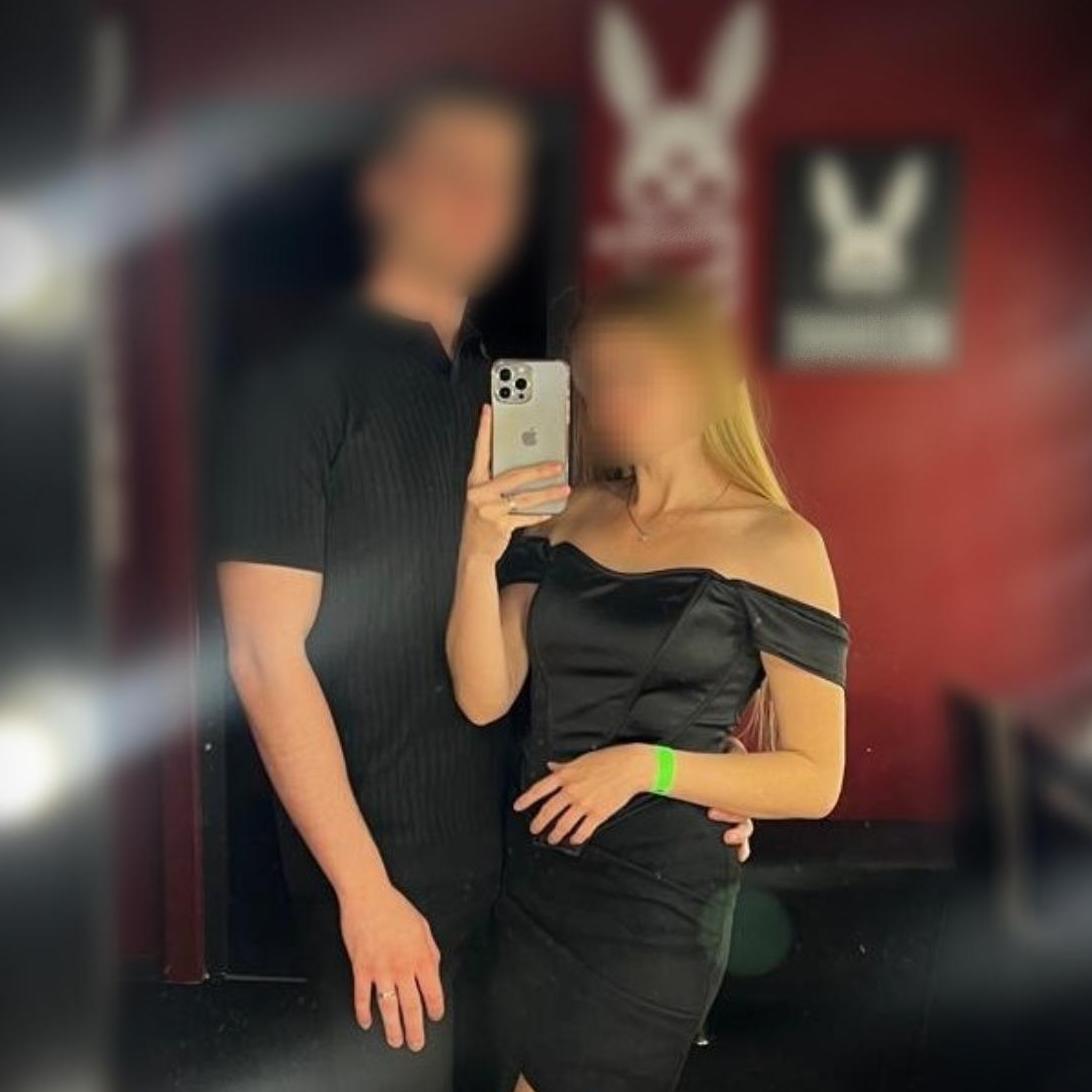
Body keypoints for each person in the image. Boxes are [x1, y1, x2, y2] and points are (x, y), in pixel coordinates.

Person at [216, 78, 754, 1092]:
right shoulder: (291, 387)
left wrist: (701, 763)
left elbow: (571, 614)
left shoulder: (507, 392)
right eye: (449, 172)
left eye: (500, 181)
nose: (478, 202)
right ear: (384, 189)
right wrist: (364, 892)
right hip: (385, 872)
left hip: (534, 871)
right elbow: (260, 654)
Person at [446, 276, 849, 1092]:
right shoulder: (571, 513)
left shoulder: (778, 543)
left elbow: (816, 779)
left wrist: (646, 765)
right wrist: (477, 550)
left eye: (636, 372)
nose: (609, 398)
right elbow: (483, 695)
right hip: (532, 878)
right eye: (596, 377)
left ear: (705, 380)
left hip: (653, 900)